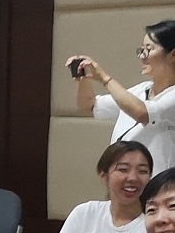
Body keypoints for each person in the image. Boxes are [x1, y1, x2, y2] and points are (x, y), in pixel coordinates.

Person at [17, 140, 151, 233]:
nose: (133, 178)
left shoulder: (149, 221)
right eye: (123, 169)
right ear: (104, 176)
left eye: (142, 171)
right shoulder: (85, 211)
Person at [66, 18, 175, 174]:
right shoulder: (140, 90)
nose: (142, 56)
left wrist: (104, 78)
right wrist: (83, 79)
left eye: (148, 49)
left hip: (159, 183)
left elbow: (143, 113)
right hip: (122, 180)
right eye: (141, 50)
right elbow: (89, 106)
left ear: (172, 55)